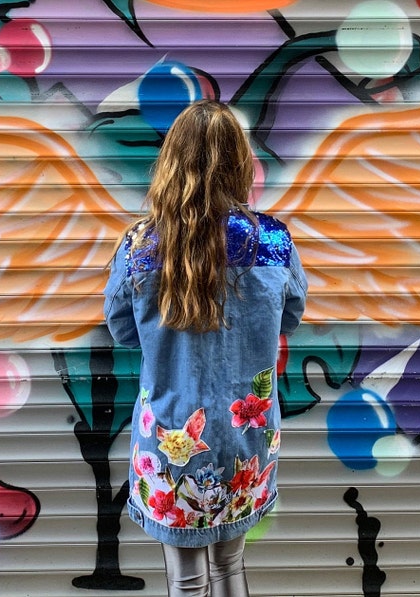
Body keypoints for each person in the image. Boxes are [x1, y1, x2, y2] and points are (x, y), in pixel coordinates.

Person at [103, 100, 307, 597]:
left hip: (172, 436)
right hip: (247, 437)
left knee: (187, 581)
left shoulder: (140, 245)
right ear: (239, 162)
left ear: (172, 160)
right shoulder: (273, 240)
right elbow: (291, 317)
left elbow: (123, 331)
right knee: (231, 568)